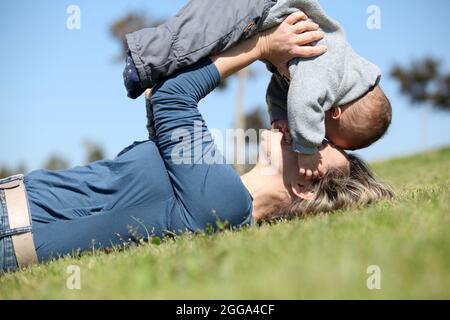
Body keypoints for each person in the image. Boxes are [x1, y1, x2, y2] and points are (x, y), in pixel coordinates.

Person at [0, 20, 393, 273]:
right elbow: (159, 103)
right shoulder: (216, 199)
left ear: (304, 188)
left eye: (317, 146)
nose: (306, 132)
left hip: (12, 222)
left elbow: (173, 97)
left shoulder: (225, 199)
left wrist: (261, 46)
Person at [124, 0, 392, 181]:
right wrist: (308, 151)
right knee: (197, 33)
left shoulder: (328, 73)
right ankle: (144, 61)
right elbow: (303, 102)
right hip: (260, 7)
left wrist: (279, 117)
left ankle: (155, 76)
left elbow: (282, 89)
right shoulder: (325, 70)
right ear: (334, 113)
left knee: (202, 41)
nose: (324, 139)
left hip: (260, 13)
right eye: (329, 137)